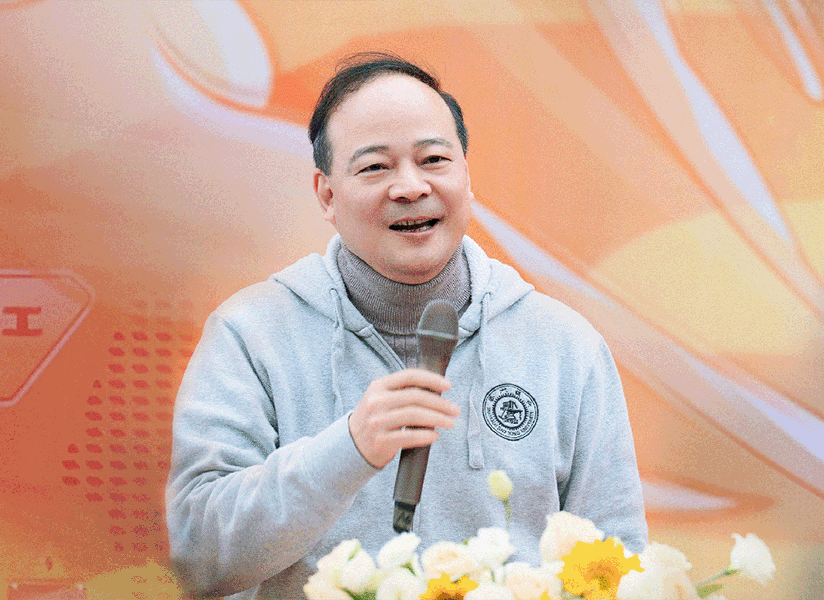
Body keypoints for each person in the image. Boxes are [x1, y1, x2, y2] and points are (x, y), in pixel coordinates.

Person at [166, 52, 647, 599]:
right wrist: (347, 449)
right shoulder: (249, 335)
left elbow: (622, 562)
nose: (411, 187)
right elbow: (198, 559)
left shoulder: (565, 345)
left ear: (467, 176)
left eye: (434, 159)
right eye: (375, 167)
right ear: (327, 194)